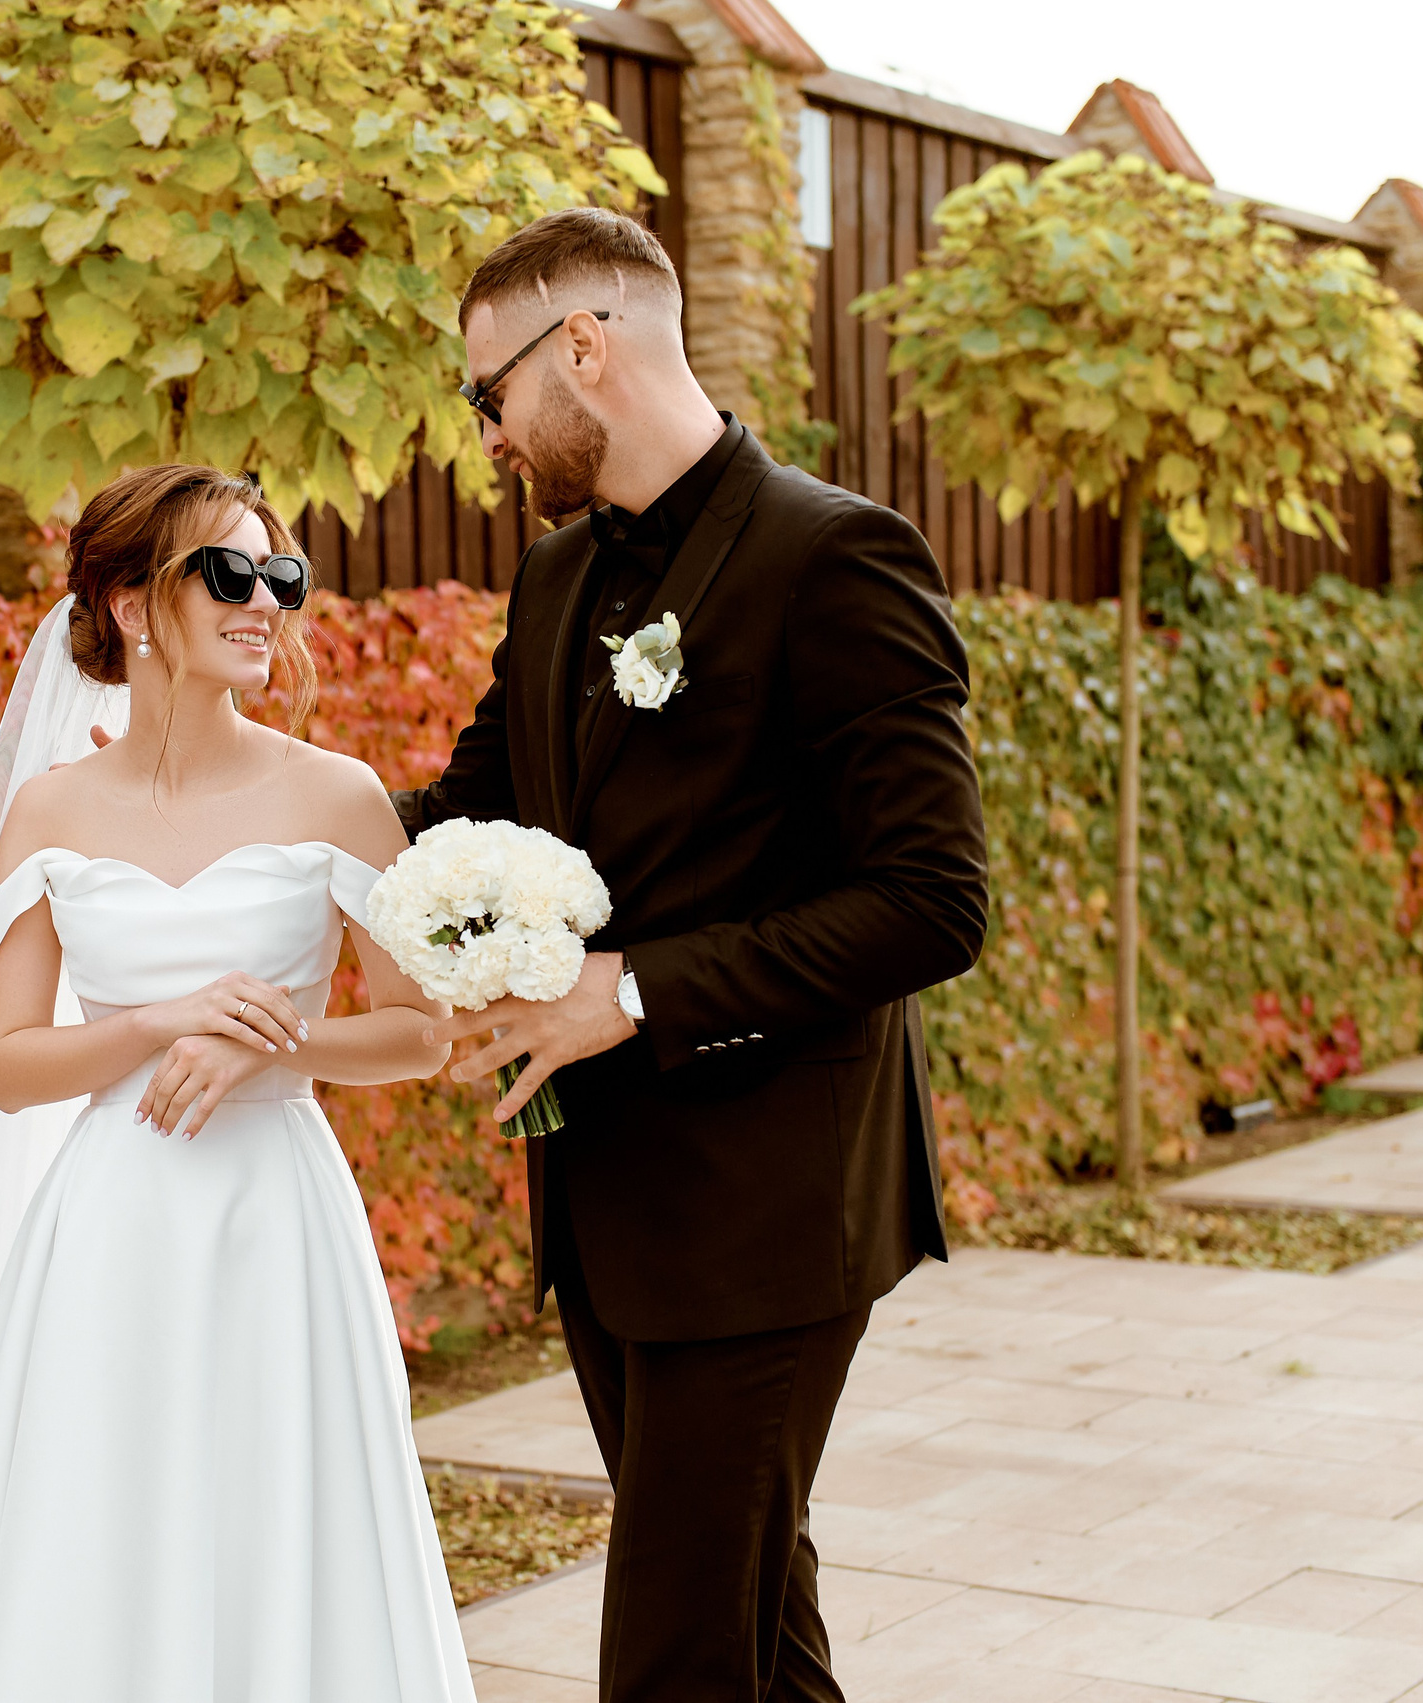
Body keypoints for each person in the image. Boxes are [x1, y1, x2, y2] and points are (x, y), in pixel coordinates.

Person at [391, 207, 990, 1701]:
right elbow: (464, 805)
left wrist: (632, 990)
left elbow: (932, 898)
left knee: (670, 1656)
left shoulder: (834, 555)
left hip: (774, 1210)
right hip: (612, 1211)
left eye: (492, 394)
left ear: (582, 349)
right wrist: (230, 809)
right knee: (750, 1632)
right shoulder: (550, 580)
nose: (491, 437)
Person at [0, 465, 477, 1702]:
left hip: (276, 1218)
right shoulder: (50, 809)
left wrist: (268, 1042)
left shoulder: (333, 790)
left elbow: (418, 1030)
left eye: (283, 575)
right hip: (109, 1221)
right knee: (97, 1519)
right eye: (230, 572)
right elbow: (4, 1063)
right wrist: (158, 1022)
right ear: (128, 604)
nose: (266, 600)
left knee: (280, 1512)